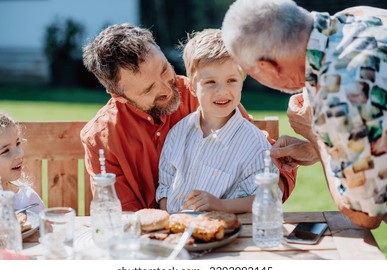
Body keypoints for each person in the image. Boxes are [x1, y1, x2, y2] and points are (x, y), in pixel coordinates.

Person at [81, 23, 297, 211]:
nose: (166, 87)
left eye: (165, 69)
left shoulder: (203, 93)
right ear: (120, 97)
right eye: (149, 90)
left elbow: (272, 172)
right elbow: (122, 216)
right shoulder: (102, 138)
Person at [222, 0, 387, 228]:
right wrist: (320, 149)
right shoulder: (359, 15)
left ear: (267, 66)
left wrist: (315, 134)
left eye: (250, 73)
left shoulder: (339, 92)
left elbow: (364, 215)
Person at [156, 29, 280, 213]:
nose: (222, 91)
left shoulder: (253, 143)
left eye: (231, 80)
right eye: (210, 82)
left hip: (225, 233)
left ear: (242, 81)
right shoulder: (178, 133)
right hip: (175, 232)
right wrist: (171, 221)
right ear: (191, 87)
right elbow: (165, 187)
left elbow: (268, 198)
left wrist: (221, 205)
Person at [0, 112, 44, 214]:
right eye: (6, 151)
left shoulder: (29, 199)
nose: (19, 154)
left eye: (18, 143)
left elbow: (45, 227)